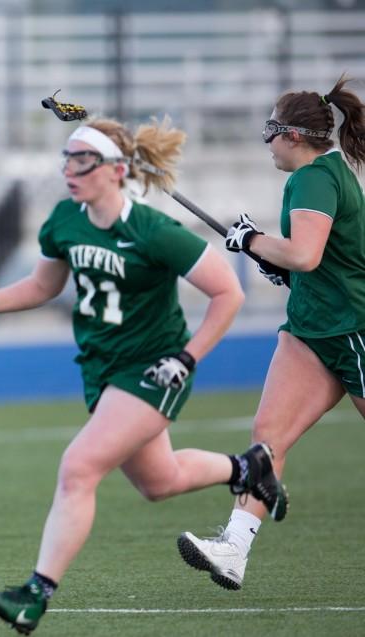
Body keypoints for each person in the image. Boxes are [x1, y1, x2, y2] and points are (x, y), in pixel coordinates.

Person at [0, 117, 288, 634]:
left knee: (78, 468)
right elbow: (42, 285)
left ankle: (35, 595)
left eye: (82, 160)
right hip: (101, 369)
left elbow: (229, 293)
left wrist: (187, 358)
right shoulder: (65, 219)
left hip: (154, 368)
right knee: (159, 480)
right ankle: (248, 469)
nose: (69, 169)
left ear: (116, 170)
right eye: (66, 159)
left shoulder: (153, 231)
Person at [178, 74, 365, 591]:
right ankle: (234, 549)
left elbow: (305, 252)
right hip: (312, 328)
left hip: (354, 328)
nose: (267, 144)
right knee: (268, 439)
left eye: (271, 133)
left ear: (294, 136)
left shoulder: (315, 177)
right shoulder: (313, 176)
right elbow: (310, 263)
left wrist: (254, 239)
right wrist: (272, 263)